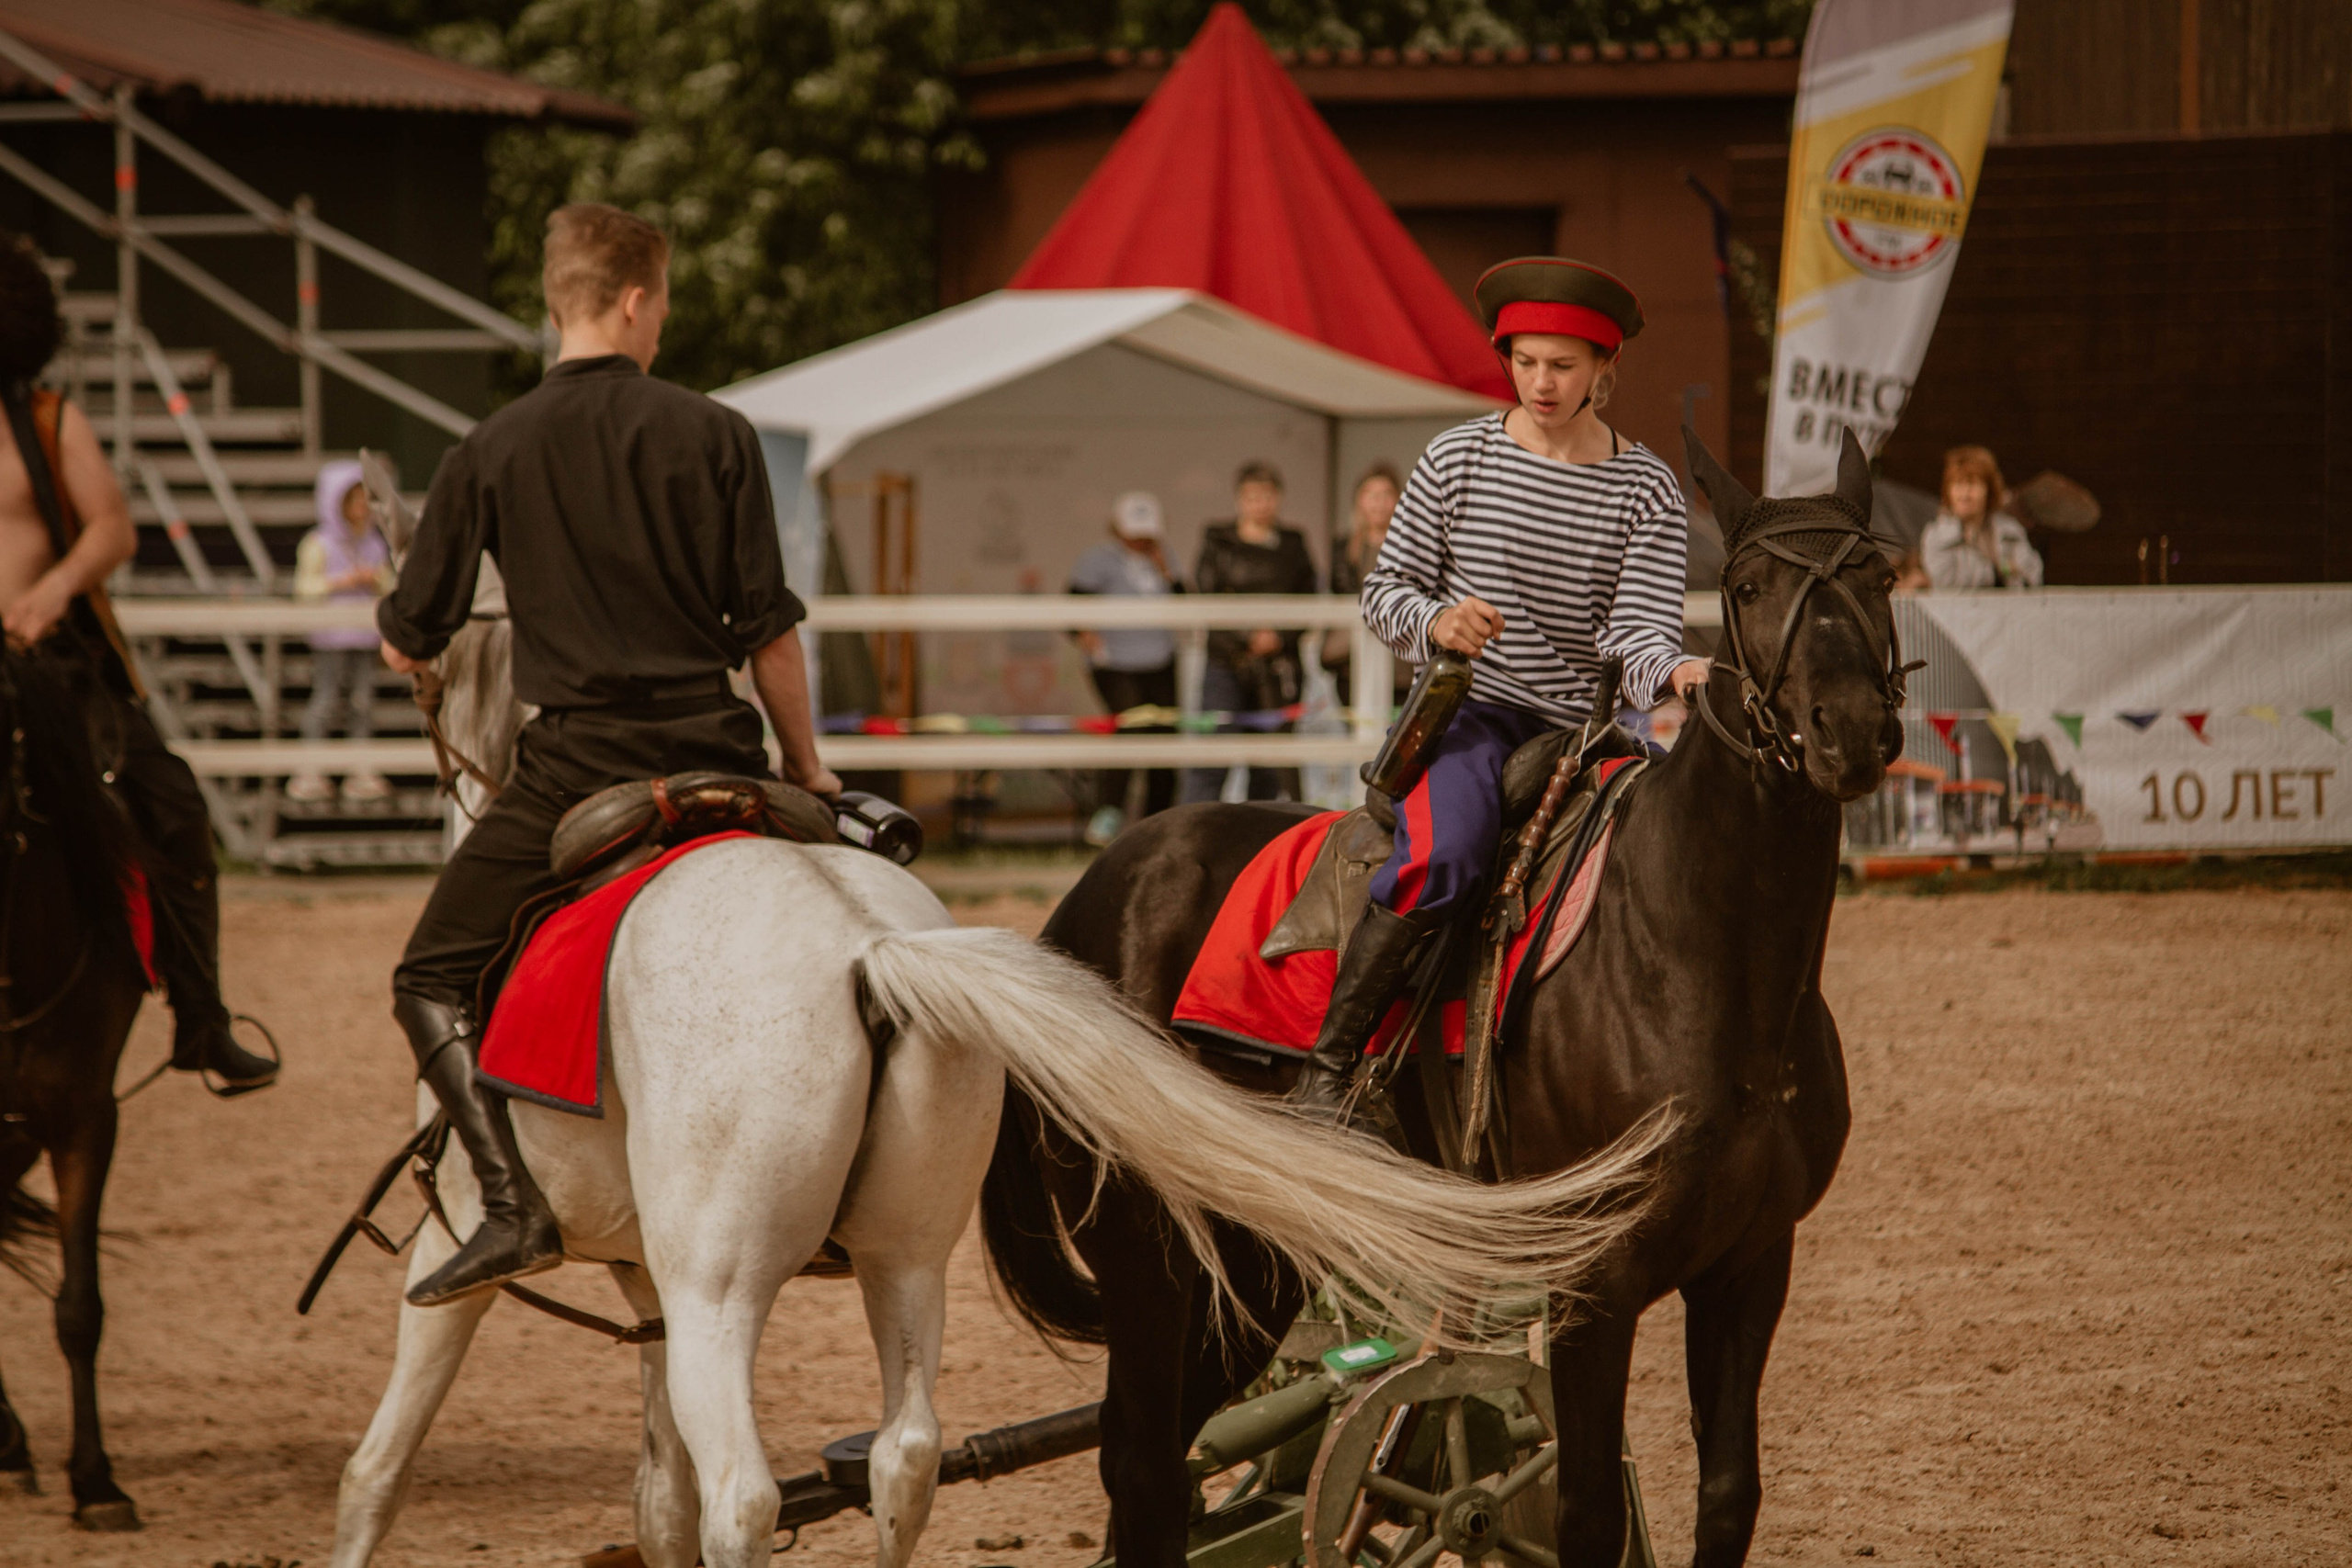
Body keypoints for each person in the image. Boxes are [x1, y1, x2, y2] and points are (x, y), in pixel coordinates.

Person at [377, 203, 840, 1307]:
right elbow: (767, 634)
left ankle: (513, 1204)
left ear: (562, 300)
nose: (662, 321)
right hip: (718, 753)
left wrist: (410, 649)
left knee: (426, 973)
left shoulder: (489, 447)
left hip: (578, 771)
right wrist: (807, 767)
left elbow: (411, 629)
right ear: (634, 299)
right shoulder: (717, 432)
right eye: (664, 302)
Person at [1289, 256, 1710, 1119]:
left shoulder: (1649, 489)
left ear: (1604, 369)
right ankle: (1329, 1071)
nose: (1542, 382)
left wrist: (1671, 668)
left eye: (1562, 364)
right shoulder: (1456, 457)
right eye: (1524, 361)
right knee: (1445, 859)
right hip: (1467, 716)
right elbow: (1384, 591)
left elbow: (1637, 637)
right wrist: (1437, 620)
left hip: (1591, 733)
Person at [0, 233, 278, 1094]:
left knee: (172, 801)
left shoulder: (50, 420)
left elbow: (112, 528)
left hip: (48, 668)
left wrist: (51, 594)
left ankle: (201, 1016)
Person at [1182, 461, 1318, 806]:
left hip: (1277, 668)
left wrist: (1278, 637)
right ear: (1240, 499)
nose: (1260, 504)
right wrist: (1248, 637)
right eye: (1252, 496)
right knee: (1212, 758)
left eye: (1267, 496)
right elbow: (1206, 595)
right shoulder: (1217, 540)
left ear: (1279, 499)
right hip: (1225, 663)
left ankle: (1258, 841)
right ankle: (1197, 833)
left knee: (1270, 765)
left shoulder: (1294, 544)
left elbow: (1310, 600)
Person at [1068, 490, 1179, 845]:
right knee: (1129, 730)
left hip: (1161, 660)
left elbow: (1186, 601)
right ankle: (1109, 813)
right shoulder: (1097, 560)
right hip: (1115, 662)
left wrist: (1167, 571)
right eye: (1135, 531)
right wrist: (1086, 636)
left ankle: (1157, 820)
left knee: (1164, 737)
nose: (1141, 539)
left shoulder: (1164, 559)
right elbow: (1072, 605)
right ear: (1117, 528)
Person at [288, 459, 394, 804]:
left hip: (364, 636)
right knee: (326, 700)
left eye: (366, 500)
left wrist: (374, 579)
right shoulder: (318, 543)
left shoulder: (375, 543)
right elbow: (304, 589)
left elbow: (389, 584)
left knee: (362, 703)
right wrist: (341, 583)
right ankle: (311, 769)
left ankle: (359, 770)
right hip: (331, 638)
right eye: (355, 500)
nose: (362, 508)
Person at [1324, 463, 1410, 706]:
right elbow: (1340, 592)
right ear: (1359, 500)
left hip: (1401, 662)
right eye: (1371, 495)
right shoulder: (1344, 548)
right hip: (1353, 661)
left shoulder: (1412, 546)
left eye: (1385, 495)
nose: (1378, 503)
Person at [1919, 445, 2042, 590]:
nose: (1964, 494)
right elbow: (1947, 583)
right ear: (1948, 491)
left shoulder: (2009, 530)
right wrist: (1999, 571)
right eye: (1958, 485)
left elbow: (2033, 578)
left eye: (1972, 485)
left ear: (1989, 490)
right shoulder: (1936, 536)